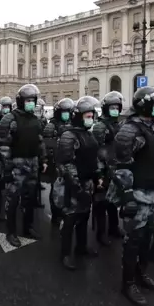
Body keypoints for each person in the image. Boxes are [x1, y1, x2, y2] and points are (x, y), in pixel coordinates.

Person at [108, 86, 154, 306]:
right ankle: (128, 283)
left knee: (148, 238)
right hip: (137, 194)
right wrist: (127, 197)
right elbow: (122, 166)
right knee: (133, 241)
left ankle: (141, 274)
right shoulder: (130, 130)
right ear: (145, 105)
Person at [53, 96, 101, 270]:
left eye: (91, 116)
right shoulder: (69, 135)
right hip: (72, 185)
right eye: (87, 116)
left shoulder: (88, 134)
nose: (91, 119)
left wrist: (97, 176)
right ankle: (65, 254)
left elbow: (92, 157)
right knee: (70, 219)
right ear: (78, 116)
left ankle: (81, 247)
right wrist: (77, 187)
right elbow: (66, 164)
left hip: (87, 181)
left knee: (84, 216)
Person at [0, 84, 47, 247]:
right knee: (13, 199)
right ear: (20, 101)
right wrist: (8, 167)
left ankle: (28, 227)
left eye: (33, 100)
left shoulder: (35, 119)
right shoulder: (9, 119)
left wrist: (43, 159)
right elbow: (4, 146)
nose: (31, 103)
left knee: (30, 197)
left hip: (32, 162)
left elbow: (40, 142)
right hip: (16, 164)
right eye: (28, 100)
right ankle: (11, 232)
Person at [92, 91, 125, 247]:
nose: (115, 110)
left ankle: (113, 227)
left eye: (117, 107)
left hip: (115, 166)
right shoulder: (99, 126)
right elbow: (97, 150)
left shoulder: (118, 124)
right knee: (101, 202)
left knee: (113, 200)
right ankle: (101, 233)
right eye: (112, 107)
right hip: (103, 167)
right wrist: (99, 171)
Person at [42, 98, 74, 225]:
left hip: (69, 160)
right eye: (64, 111)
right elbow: (48, 144)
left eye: (68, 111)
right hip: (56, 161)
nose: (66, 114)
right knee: (56, 189)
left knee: (67, 188)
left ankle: (64, 211)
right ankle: (55, 215)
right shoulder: (52, 125)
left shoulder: (72, 124)